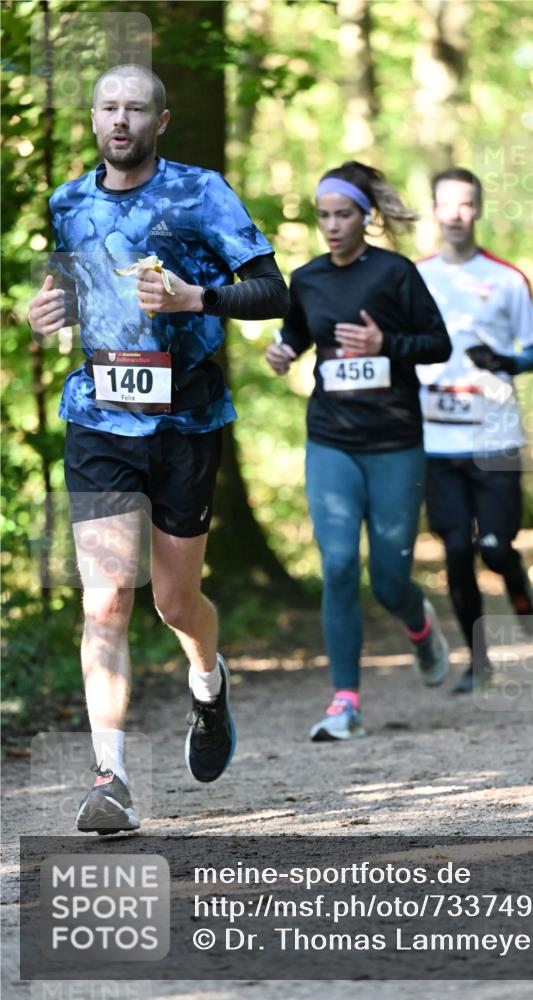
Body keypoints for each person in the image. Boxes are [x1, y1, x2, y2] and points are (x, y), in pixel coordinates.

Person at [27, 63, 289, 832]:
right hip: (101, 416)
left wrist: (194, 296)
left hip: (186, 421)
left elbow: (273, 293)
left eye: (135, 109)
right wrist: (53, 306)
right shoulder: (68, 199)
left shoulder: (201, 193)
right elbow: (83, 288)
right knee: (104, 601)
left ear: (160, 121)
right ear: (93, 114)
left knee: (176, 602)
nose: (120, 120)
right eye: (108, 106)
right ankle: (111, 779)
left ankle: (208, 684)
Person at [265, 161, 452, 741]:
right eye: (323, 215)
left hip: (395, 442)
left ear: (364, 217)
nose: (332, 226)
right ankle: (345, 700)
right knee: (340, 564)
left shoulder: (395, 273)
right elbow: (299, 331)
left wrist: (384, 343)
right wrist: (282, 351)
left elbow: (438, 344)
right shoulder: (309, 278)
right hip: (332, 439)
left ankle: (419, 625)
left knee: (389, 582)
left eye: (343, 214)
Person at [416, 167, 533, 694]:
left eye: (466, 204)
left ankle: (519, 586)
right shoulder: (415, 277)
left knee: (494, 547)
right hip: (436, 440)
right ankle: (479, 662)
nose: (455, 214)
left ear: (479, 209)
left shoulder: (508, 278)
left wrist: (505, 361)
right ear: (434, 211)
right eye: (446, 204)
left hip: (495, 438)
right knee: (455, 551)